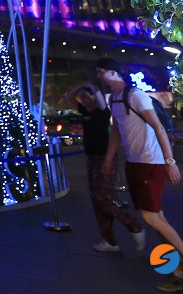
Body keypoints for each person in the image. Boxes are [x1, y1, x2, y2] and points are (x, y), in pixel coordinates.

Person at [97, 58, 183, 294]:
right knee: (157, 219)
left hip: (151, 162)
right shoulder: (115, 100)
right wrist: (109, 158)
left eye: (102, 72)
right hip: (134, 162)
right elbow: (117, 130)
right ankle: (179, 273)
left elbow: (157, 126)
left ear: (114, 73)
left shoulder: (135, 95)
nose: (99, 76)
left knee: (150, 218)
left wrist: (170, 162)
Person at [62, 80, 144, 252]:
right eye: (82, 97)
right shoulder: (85, 111)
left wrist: (91, 86)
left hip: (105, 158)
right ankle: (110, 240)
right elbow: (69, 98)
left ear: (94, 97)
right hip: (91, 158)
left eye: (86, 97)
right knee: (95, 199)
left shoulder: (102, 112)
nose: (82, 100)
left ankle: (134, 225)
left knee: (102, 198)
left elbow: (98, 97)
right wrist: (80, 86)